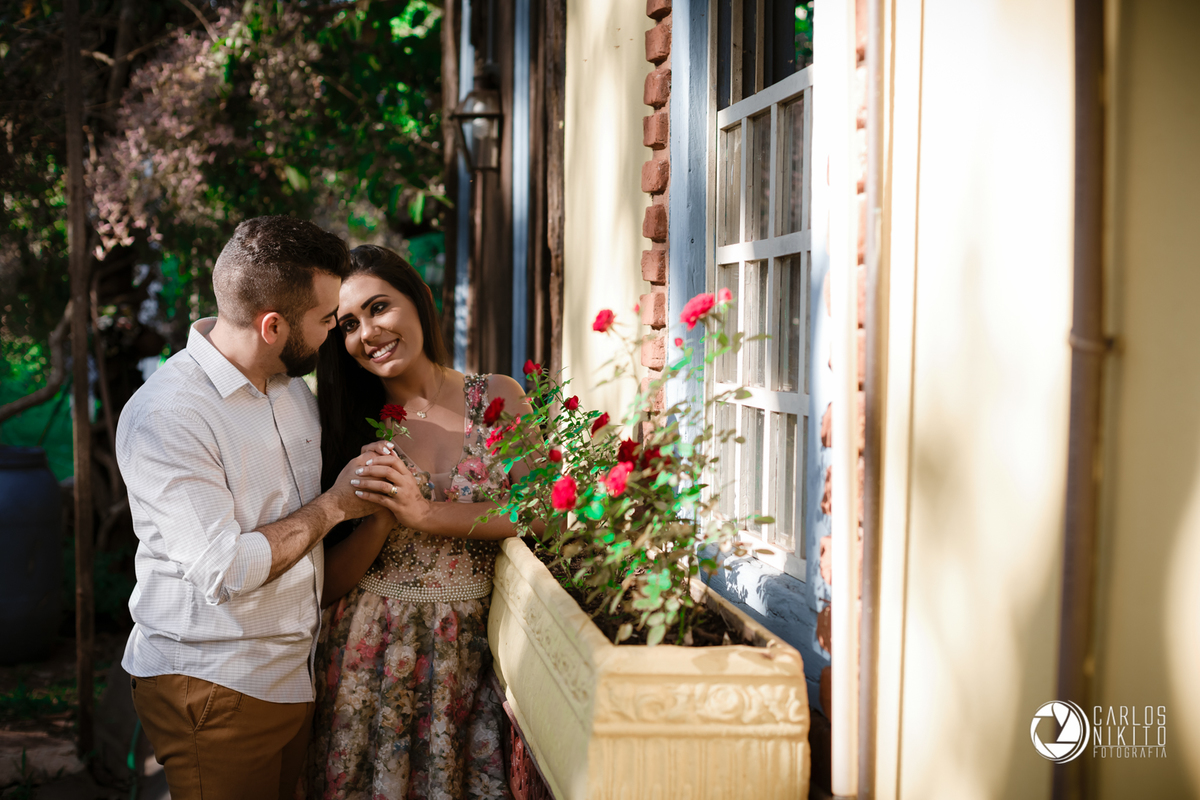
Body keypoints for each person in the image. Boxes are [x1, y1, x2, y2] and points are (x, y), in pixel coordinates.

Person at [116, 217, 411, 800]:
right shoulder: (170, 416)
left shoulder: (291, 390)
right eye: (327, 319)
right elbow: (226, 567)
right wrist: (332, 508)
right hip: (214, 687)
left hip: (287, 679)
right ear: (273, 326)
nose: (335, 332)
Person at [308, 244, 534, 800]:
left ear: (420, 301)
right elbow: (328, 584)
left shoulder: (496, 398)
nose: (367, 333)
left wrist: (426, 513)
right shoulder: (341, 427)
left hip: (470, 649)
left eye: (379, 307)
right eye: (348, 325)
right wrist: (383, 520)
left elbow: (541, 513)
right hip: (370, 653)